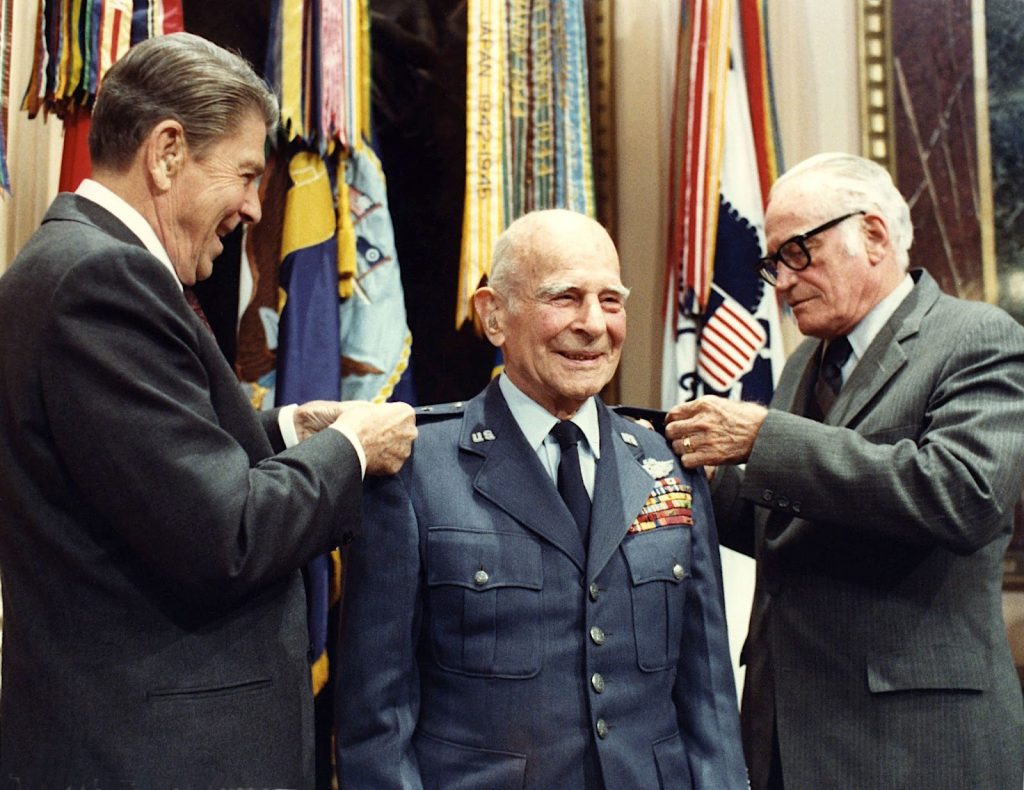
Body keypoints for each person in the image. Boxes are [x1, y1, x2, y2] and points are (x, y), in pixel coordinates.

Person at [0, 33, 416, 787]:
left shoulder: (73, 264)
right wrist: (350, 449)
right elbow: (224, 535)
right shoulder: (104, 284)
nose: (257, 207)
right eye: (248, 174)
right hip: (153, 756)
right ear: (166, 154)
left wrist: (288, 431)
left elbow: (137, 471)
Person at [333, 208, 748, 789]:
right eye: (565, 297)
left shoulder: (669, 463)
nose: (593, 324)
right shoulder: (415, 469)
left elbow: (708, 700)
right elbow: (377, 719)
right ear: (494, 316)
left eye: (611, 300)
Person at [665, 152, 1024, 789]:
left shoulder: (976, 337)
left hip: (917, 740)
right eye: (774, 261)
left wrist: (764, 437)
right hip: (787, 733)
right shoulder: (806, 363)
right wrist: (687, 470)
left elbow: (963, 495)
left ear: (875, 235)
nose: (781, 282)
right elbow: (785, 524)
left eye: (799, 252)